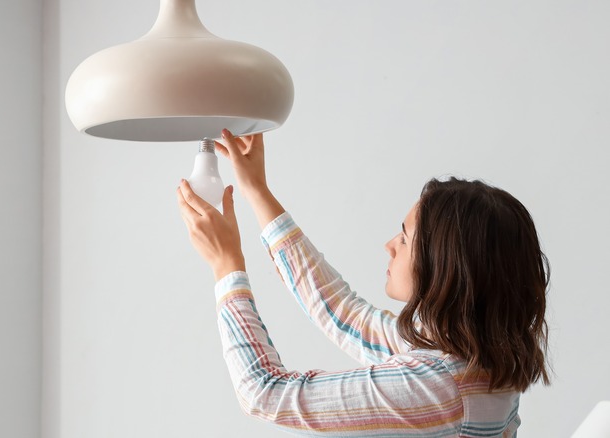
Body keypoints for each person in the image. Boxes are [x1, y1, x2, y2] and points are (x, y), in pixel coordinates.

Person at [176, 129, 551, 437]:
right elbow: (344, 315)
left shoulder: (438, 390)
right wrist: (257, 191)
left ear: (447, 267)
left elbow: (265, 392)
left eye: (404, 239)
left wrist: (227, 267)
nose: (389, 245)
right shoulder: (473, 359)